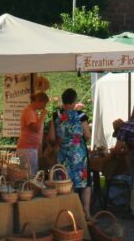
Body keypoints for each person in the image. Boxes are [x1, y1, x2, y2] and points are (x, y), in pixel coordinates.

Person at [49, 88, 92, 217]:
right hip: (79, 155)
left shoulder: (56, 115)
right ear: (74, 101)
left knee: (66, 184)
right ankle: (86, 212)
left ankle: (70, 212)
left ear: (63, 100)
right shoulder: (81, 115)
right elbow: (88, 135)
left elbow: (51, 137)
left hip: (63, 154)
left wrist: (59, 141)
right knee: (85, 183)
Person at [18, 92, 49, 176]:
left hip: (30, 148)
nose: (44, 107)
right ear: (39, 101)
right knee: (29, 177)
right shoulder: (29, 111)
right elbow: (36, 128)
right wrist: (42, 116)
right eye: (44, 104)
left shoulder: (32, 112)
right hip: (27, 149)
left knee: (31, 175)